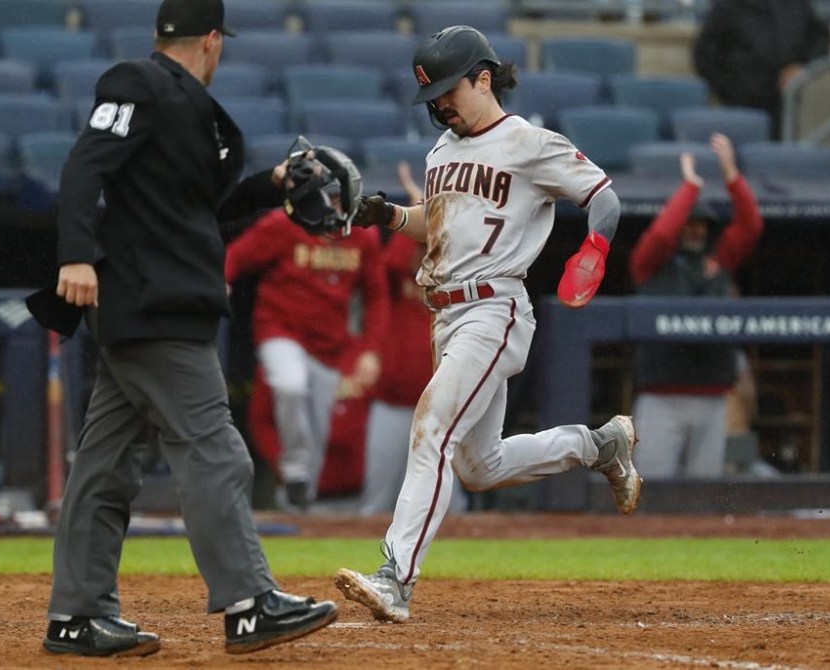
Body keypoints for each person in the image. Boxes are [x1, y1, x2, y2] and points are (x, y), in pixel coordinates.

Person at [39, 0, 338, 657]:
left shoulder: (187, 108)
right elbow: (85, 164)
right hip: (155, 304)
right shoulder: (136, 83)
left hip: (154, 302)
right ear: (212, 40)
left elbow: (198, 207)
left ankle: (76, 616)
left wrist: (276, 183)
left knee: (105, 463)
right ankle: (248, 602)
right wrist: (75, 254)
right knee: (214, 448)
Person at [332, 25, 643, 623]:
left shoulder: (528, 142)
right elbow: (447, 223)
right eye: (433, 98)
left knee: (431, 429)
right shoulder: (441, 153)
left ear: (483, 78)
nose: (441, 105)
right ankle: (600, 445)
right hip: (444, 314)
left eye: (450, 91)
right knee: (479, 465)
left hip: (494, 309)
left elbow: (604, 197)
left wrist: (596, 249)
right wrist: (393, 216)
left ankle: (395, 576)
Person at [224, 152, 389, 512]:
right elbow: (236, 255)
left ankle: (300, 502)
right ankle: (295, 472)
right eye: (331, 196)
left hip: (329, 345)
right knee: (289, 383)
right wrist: (222, 281)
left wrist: (371, 350)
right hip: (280, 331)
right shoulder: (284, 226)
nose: (336, 204)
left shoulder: (363, 238)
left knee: (317, 428)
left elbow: (376, 298)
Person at [627, 133, 764, 479]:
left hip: (712, 394)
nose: (696, 230)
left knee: (703, 498)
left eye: (702, 223)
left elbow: (750, 226)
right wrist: (689, 189)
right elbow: (659, 236)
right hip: (661, 396)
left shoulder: (718, 260)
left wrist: (731, 174)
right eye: (689, 222)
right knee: (651, 491)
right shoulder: (652, 264)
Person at [358, 162, 467, 515]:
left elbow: (446, 236)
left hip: (440, 407)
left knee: (450, 507)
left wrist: (428, 209)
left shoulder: (457, 269)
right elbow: (398, 255)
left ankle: (462, 571)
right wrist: (418, 202)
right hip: (393, 403)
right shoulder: (395, 274)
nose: (423, 249)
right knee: (376, 504)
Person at [692, 0, 830, 139]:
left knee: (778, 152)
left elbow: (819, 38)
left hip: (783, 102)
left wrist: (800, 66)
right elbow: (705, 54)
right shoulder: (729, 6)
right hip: (740, 104)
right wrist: (731, 89)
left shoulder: (797, 4)